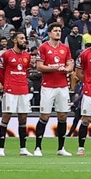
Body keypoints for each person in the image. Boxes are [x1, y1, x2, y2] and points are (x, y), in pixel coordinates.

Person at [34, 24, 74, 156]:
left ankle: (61, 148)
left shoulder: (65, 48)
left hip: (62, 86)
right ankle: (38, 147)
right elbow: (39, 66)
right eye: (55, 31)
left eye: (59, 31)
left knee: (62, 116)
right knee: (44, 116)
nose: (58, 33)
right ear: (50, 33)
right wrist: (56, 68)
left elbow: (70, 64)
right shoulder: (44, 47)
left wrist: (66, 69)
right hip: (48, 86)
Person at [0, 29, 35, 156]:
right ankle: (1, 149)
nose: (24, 41)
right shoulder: (6, 55)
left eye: (24, 39)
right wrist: (7, 83)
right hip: (10, 90)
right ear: (14, 40)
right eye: (21, 38)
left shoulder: (27, 56)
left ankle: (23, 149)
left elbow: (27, 72)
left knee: (23, 118)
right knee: (6, 117)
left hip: (23, 90)